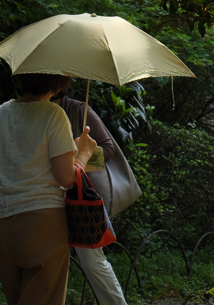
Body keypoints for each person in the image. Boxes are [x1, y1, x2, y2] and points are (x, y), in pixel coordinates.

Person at [0, 73, 98, 305]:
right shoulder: (54, 114)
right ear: (60, 81)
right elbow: (65, 176)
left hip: (2, 225)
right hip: (43, 224)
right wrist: (84, 153)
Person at [52, 90, 129, 305]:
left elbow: (108, 147)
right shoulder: (36, 111)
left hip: (80, 197)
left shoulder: (79, 110)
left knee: (92, 260)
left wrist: (80, 159)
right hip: (48, 195)